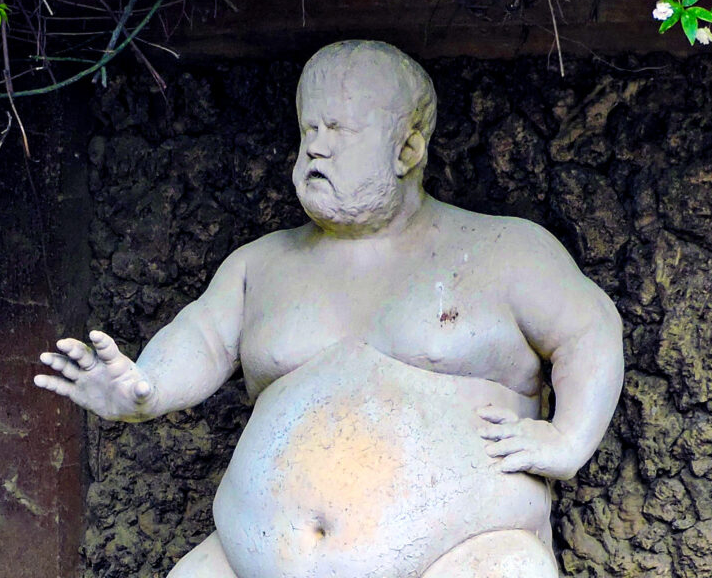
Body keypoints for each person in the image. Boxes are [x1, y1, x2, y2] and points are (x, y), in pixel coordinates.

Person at [35, 40, 624, 578]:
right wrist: (147, 386)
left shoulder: (504, 250)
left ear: (408, 147)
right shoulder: (261, 265)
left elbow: (589, 329)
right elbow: (204, 337)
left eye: (340, 128)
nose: (317, 144)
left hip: (466, 556)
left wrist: (569, 440)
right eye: (309, 127)